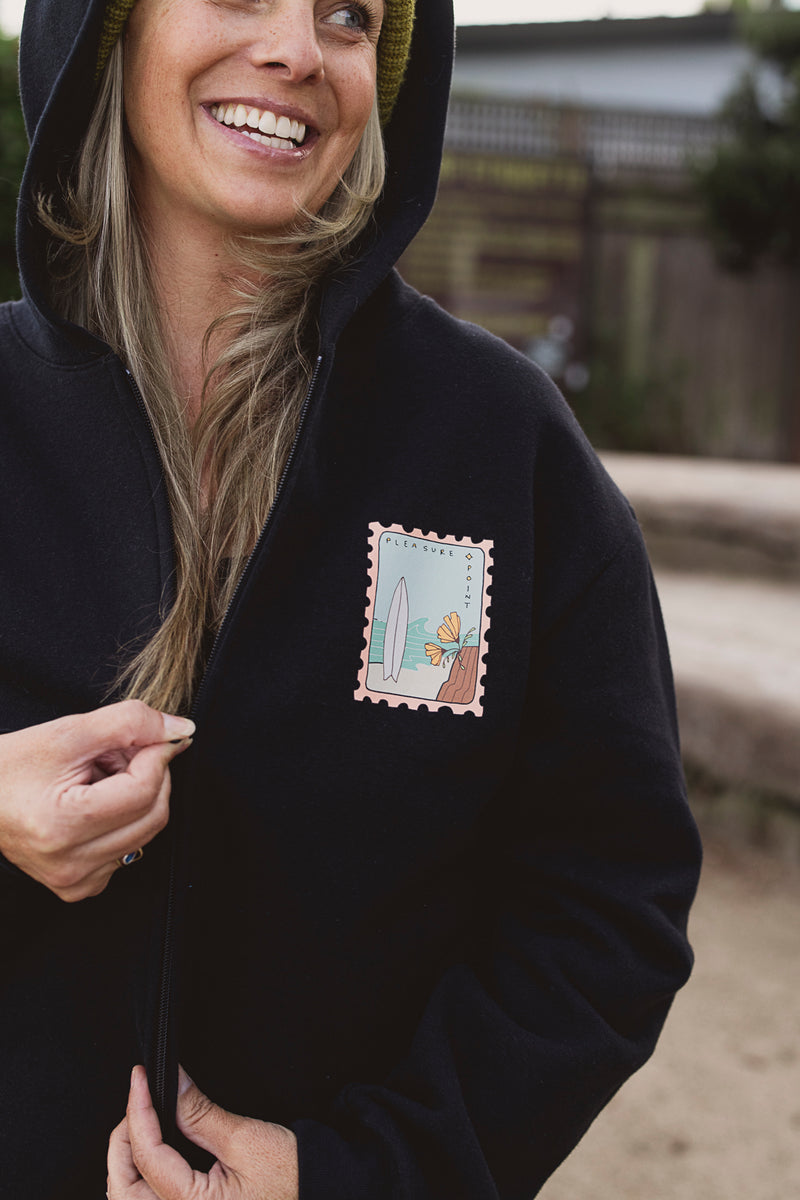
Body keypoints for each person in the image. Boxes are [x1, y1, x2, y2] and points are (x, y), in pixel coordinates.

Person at [0, 0, 702, 1196]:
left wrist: (361, 1174)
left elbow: (607, 896)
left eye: (347, 17)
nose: (295, 50)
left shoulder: (494, 447)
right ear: (107, 35)